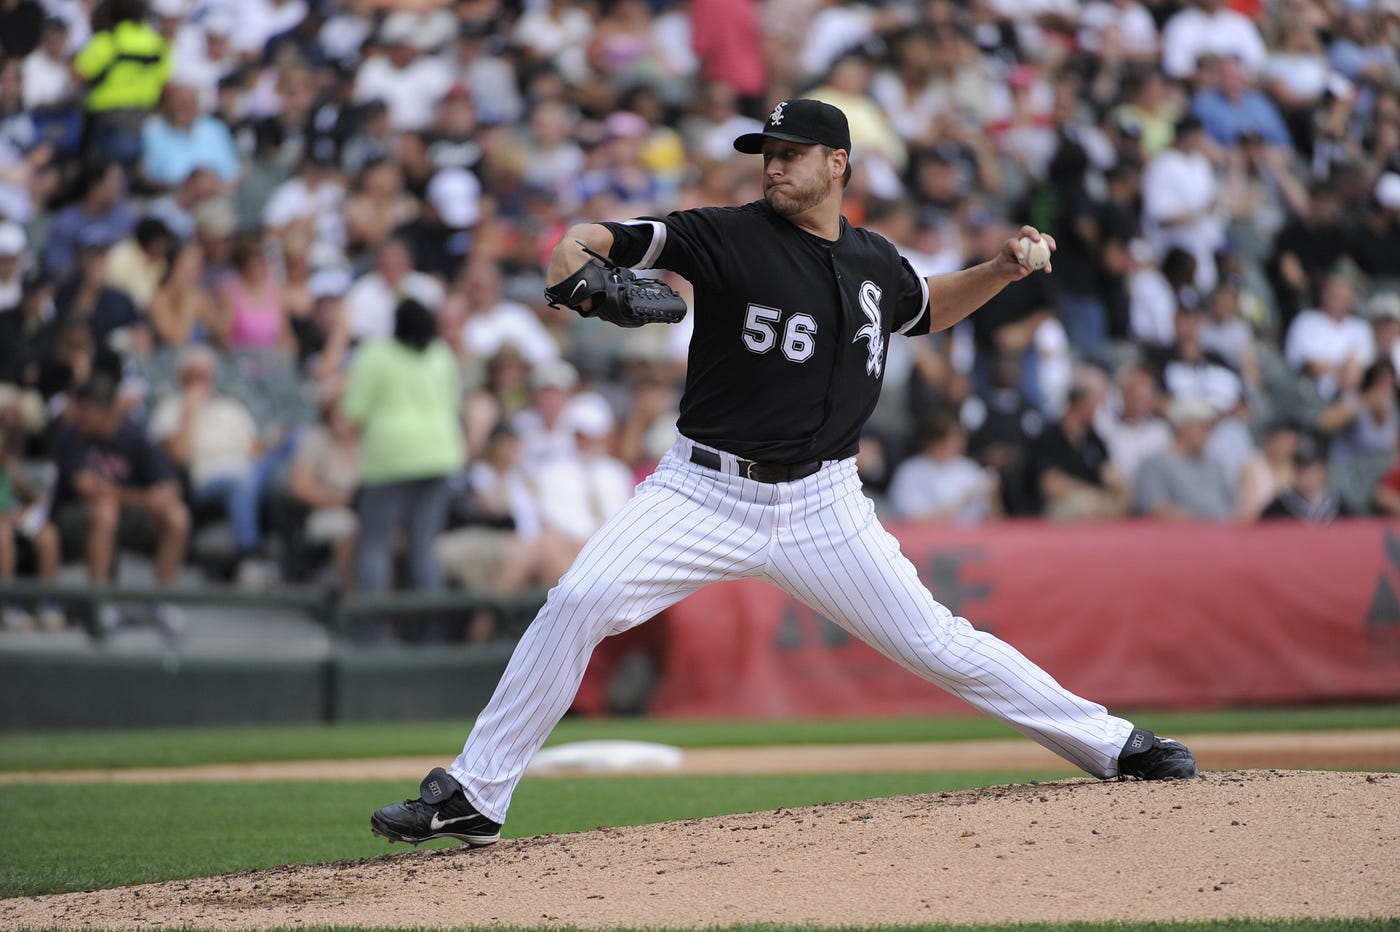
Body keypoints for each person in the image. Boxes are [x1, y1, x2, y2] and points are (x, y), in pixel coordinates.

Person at [369, 99, 1197, 848]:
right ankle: (476, 794)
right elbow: (590, 241)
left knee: (940, 643)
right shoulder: (727, 235)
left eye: (792, 151)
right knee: (578, 601)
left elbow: (928, 308)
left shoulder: (874, 261)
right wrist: (575, 271)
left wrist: (1003, 270)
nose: (774, 164)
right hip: (701, 490)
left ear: (839, 162)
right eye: (767, 150)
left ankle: (1113, 744)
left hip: (823, 504)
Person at [342, 297, 462, 599]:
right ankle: (432, 635)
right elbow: (452, 404)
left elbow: (353, 413)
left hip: (389, 458)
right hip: (440, 454)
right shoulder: (441, 354)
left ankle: (369, 634)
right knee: (424, 545)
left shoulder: (374, 355)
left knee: (375, 544)